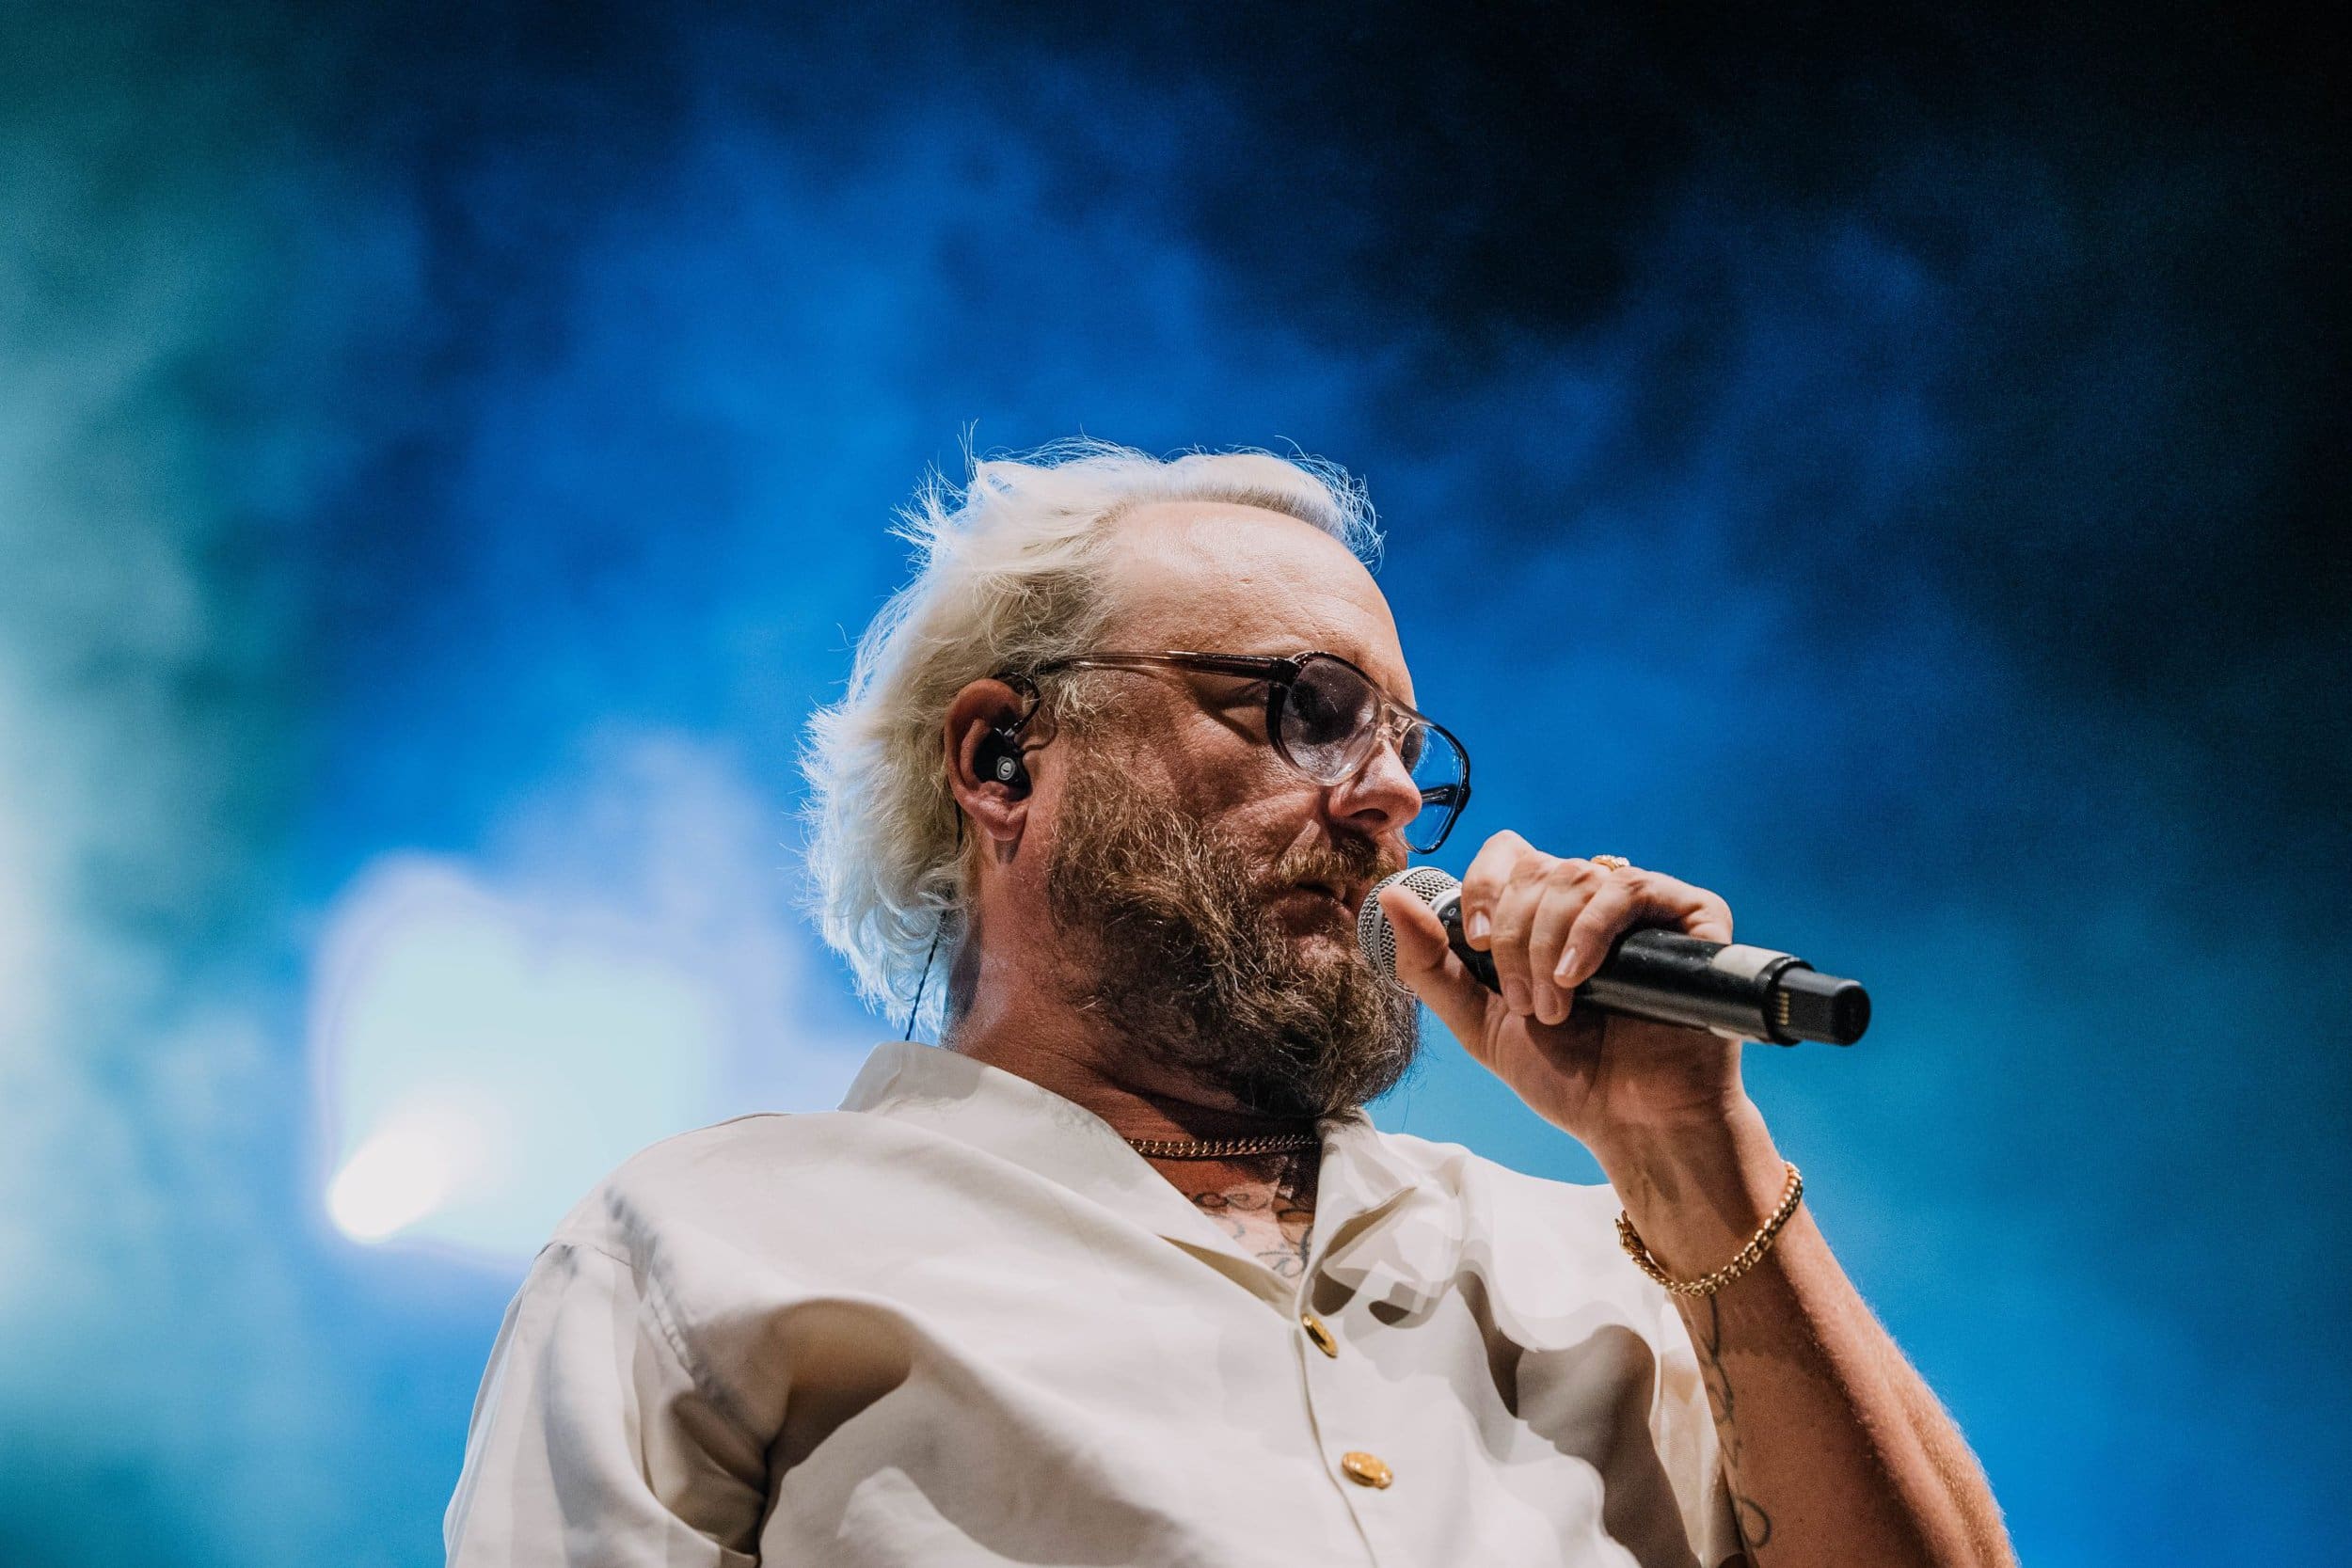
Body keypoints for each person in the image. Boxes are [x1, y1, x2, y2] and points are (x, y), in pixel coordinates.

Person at [444, 441, 2014, 1567]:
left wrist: (1687, 1145)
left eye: (1412, 751)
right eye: (1304, 710)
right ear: (1003, 761)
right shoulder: (708, 1250)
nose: (1392, 795)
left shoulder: (1602, 1265)